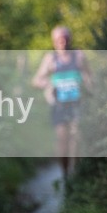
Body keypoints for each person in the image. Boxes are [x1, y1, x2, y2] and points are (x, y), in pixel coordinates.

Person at [31, 26, 92, 180]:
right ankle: (64, 174)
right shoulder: (50, 59)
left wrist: (88, 86)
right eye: (59, 39)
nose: (62, 42)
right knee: (62, 140)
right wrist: (48, 85)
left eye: (65, 38)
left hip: (77, 103)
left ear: (70, 39)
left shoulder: (78, 56)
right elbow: (36, 80)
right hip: (59, 105)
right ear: (54, 41)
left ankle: (75, 173)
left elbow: (90, 77)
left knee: (77, 137)